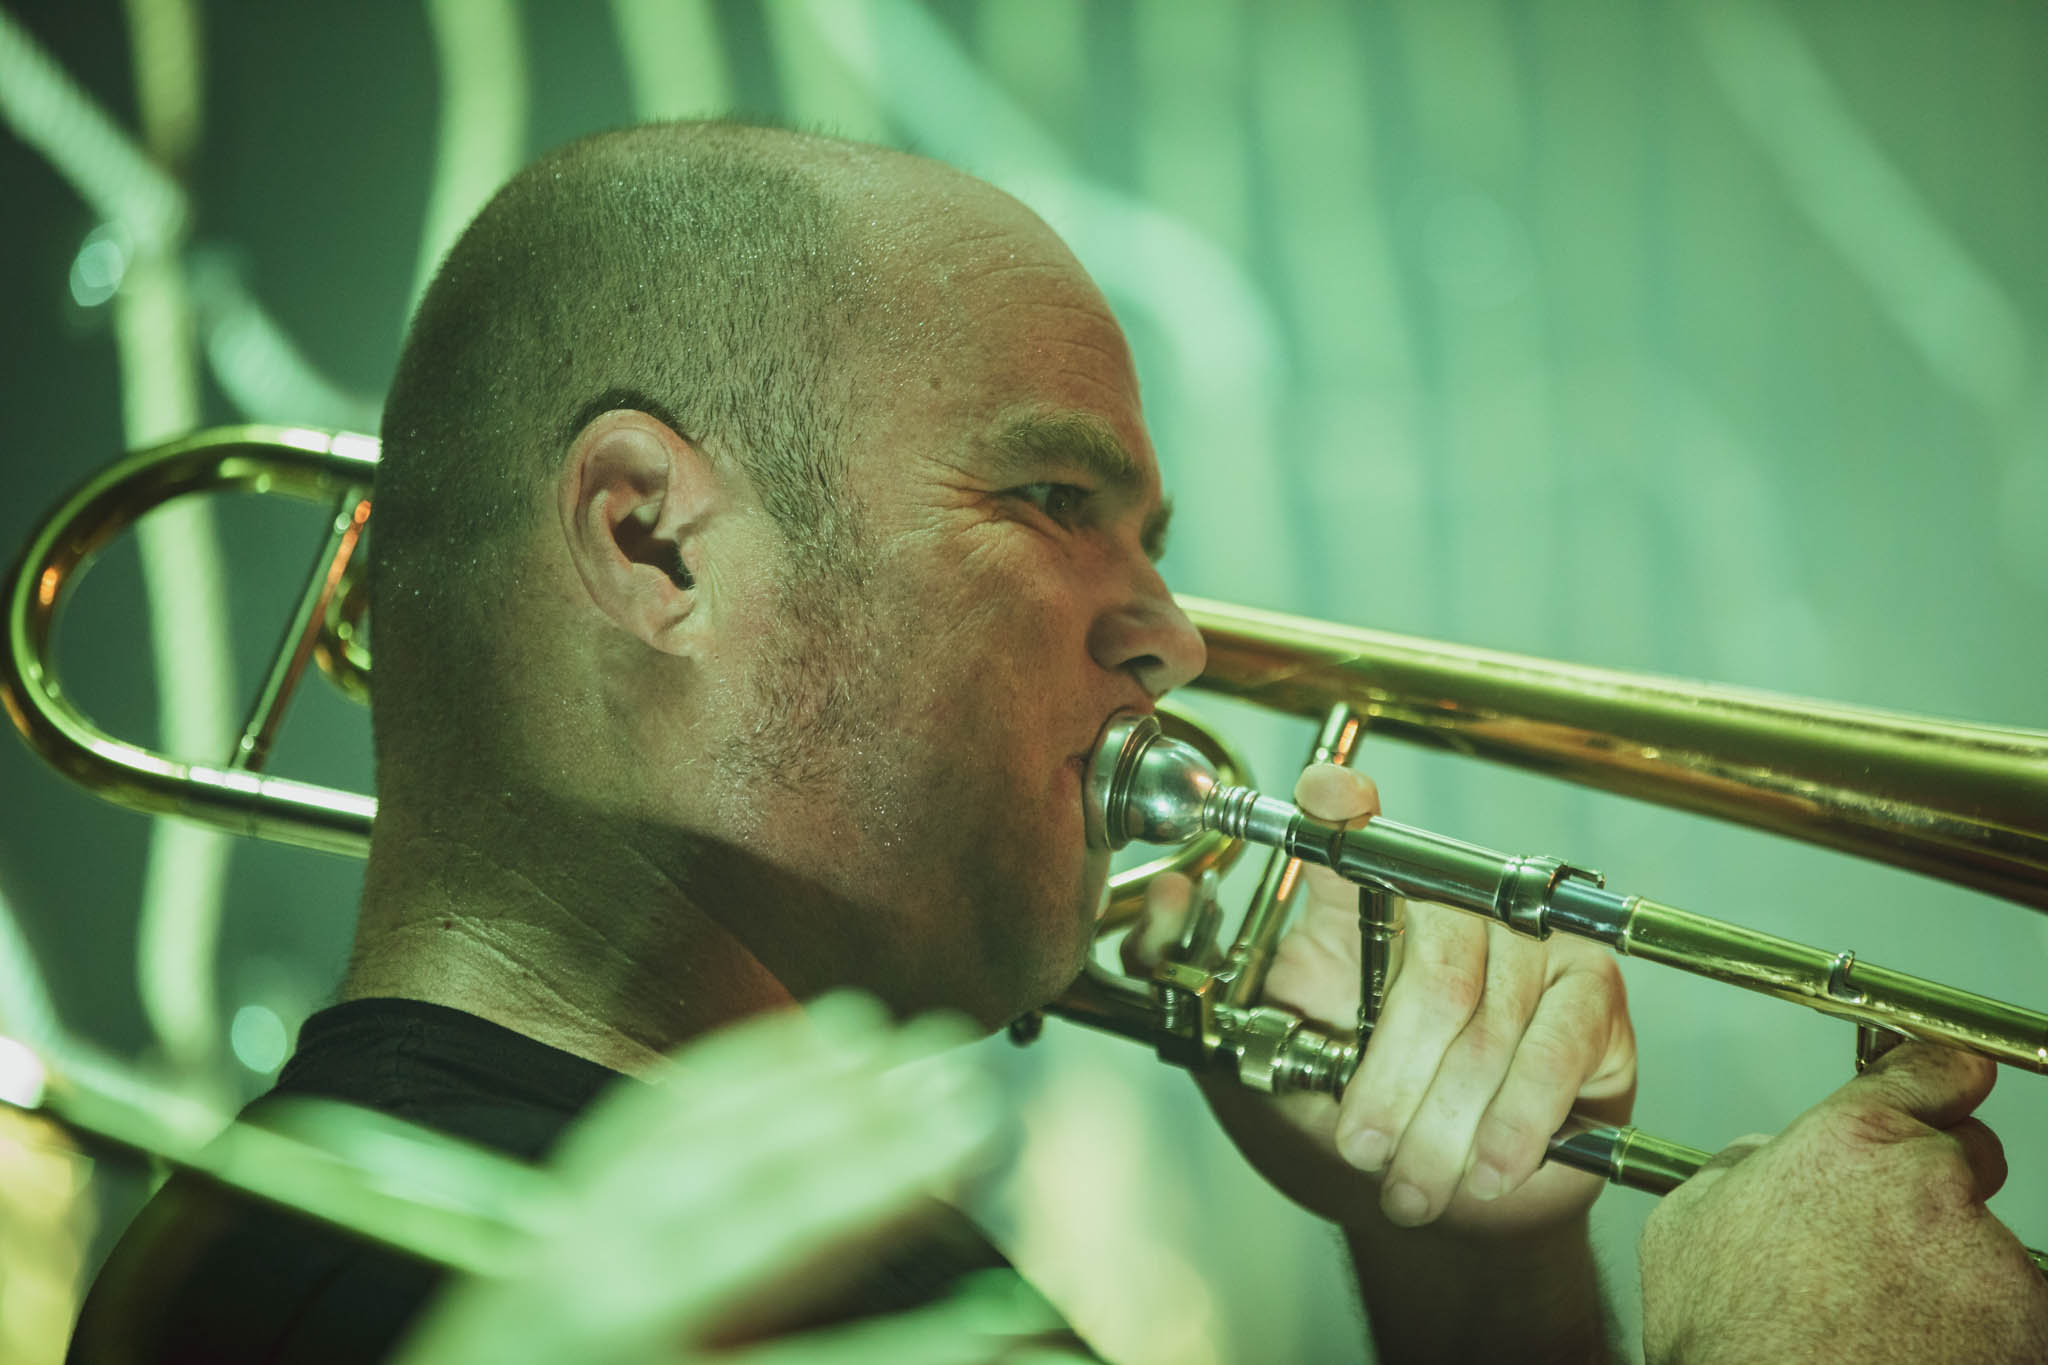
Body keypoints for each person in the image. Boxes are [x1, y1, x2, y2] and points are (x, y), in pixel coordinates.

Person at [71, 118, 1640, 1363]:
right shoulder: (368, 1276)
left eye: (1145, 540)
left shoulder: (619, 1228)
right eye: (1055, 501)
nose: (1178, 639)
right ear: (654, 545)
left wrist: (1473, 1270)